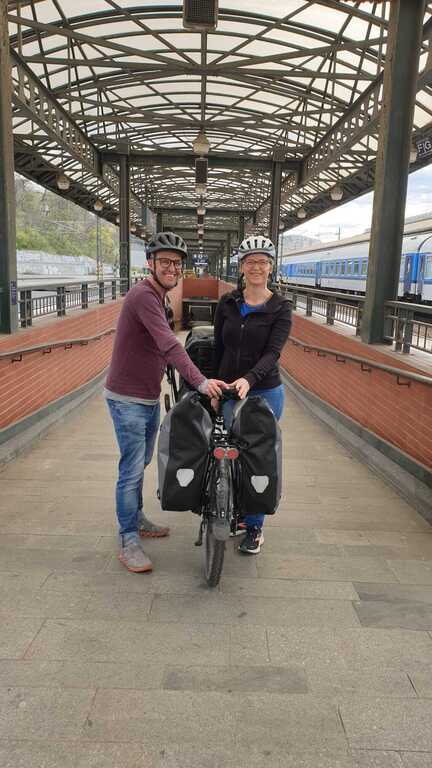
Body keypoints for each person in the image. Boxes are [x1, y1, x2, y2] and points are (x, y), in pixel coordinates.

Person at [105, 232, 227, 573]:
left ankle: (137, 517)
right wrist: (201, 382)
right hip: (126, 398)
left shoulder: (160, 297)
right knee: (130, 470)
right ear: (151, 264)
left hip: (145, 396)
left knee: (140, 462)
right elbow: (169, 345)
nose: (171, 268)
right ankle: (129, 540)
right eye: (164, 262)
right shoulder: (144, 296)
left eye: (176, 263)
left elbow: (162, 350)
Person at [213, 234, 292, 554]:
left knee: (258, 457)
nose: (256, 267)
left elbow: (273, 353)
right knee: (230, 451)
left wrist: (249, 378)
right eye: (250, 262)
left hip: (265, 391)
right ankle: (231, 506)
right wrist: (216, 385)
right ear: (241, 267)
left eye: (262, 262)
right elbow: (220, 346)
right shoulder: (228, 303)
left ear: (271, 267)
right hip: (231, 389)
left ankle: (254, 526)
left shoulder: (281, 307)